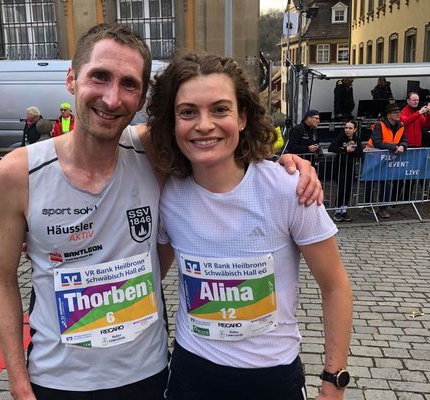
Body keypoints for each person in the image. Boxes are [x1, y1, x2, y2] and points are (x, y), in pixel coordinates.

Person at [0, 23, 322, 400]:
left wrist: (285, 167)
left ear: (142, 95)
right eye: (99, 77)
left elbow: (214, 144)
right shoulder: (19, 173)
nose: (112, 99)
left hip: (147, 374)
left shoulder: (152, 152)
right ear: (71, 79)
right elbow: (1, 280)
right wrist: (17, 381)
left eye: (128, 84)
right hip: (57, 380)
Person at [149, 52, 352, 400]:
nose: (204, 125)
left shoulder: (289, 188)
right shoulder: (167, 195)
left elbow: (335, 287)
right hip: (191, 374)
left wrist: (334, 382)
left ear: (242, 117)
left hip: (271, 378)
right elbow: (151, 275)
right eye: (187, 112)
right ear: (172, 122)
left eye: (220, 109)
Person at [365, 103, 408, 218]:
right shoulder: (380, 125)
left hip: (387, 157)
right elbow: (376, 142)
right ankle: (368, 204)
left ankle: (383, 208)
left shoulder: (401, 125)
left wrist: (403, 146)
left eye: (398, 112)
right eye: (395, 113)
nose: (398, 115)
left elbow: (404, 140)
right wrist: (394, 147)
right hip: (373, 155)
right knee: (370, 181)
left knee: (386, 182)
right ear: (388, 115)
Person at [328, 120, 363, 222]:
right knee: (341, 188)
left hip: (351, 167)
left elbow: (360, 152)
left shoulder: (357, 139)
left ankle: (344, 210)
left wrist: (353, 151)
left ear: (354, 129)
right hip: (340, 167)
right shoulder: (341, 138)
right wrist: (345, 150)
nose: (347, 130)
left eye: (350, 128)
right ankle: (337, 211)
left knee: (348, 189)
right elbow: (331, 148)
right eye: (346, 128)